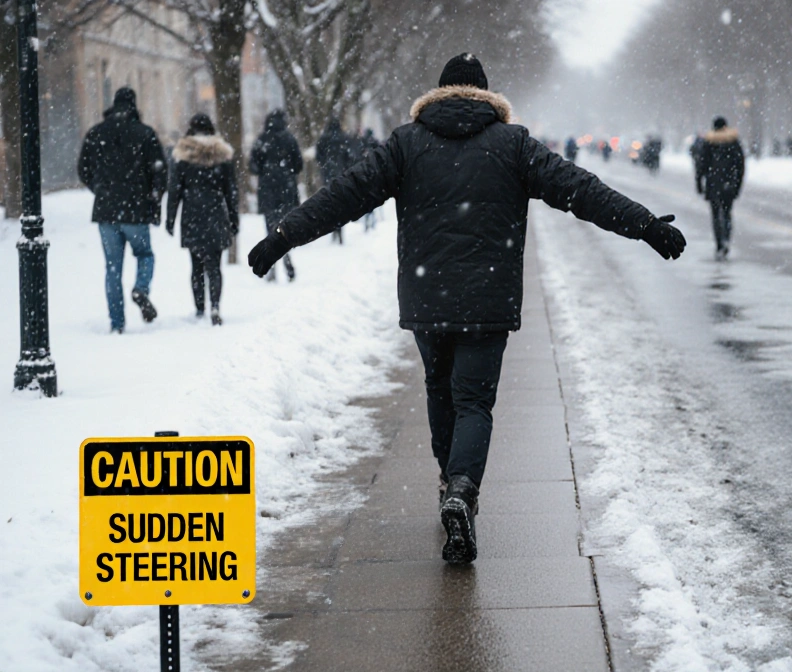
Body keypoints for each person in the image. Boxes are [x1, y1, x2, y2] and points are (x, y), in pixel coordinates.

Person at [248, 53, 686, 565]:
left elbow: (344, 196)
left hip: (426, 294)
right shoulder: (513, 144)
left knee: (440, 389)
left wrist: (282, 237)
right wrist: (646, 226)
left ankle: (447, 480)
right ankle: (462, 487)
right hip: (488, 294)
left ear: (437, 94)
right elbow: (581, 191)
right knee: (474, 401)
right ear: (487, 96)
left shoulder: (405, 145)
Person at [76, 87, 166, 333]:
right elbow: (159, 171)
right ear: (133, 105)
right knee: (144, 254)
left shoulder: (96, 133)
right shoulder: (145, 134)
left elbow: (82, 168)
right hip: (136, 209)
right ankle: (141, 288)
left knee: (112, 268)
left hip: (106, 211)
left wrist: (99, 188)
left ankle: (117, 323)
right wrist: (153, 198)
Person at [166, 113, 238, 326]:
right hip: (216, 213)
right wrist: (234, 218)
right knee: (214, 266)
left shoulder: (184, 156)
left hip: (192, 215)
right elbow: (231, 191)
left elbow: (174, 190)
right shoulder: (222, 155)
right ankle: (215, 306)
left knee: (196, 265)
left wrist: (170, 219)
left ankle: (200, 308)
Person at [249, 109, 303, 281]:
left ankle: (270, 264)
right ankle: (287, 261)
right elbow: (298, 165)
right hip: (287, 190)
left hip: (268, 190)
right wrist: (287, 171)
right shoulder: (289, 139)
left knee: (270, 227)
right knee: (285, 228)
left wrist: (266, 171)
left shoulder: (261, 140)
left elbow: (253, 166)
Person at [695, 116, 745, 260]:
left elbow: (701, 165)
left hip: (713, 184)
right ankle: (726, 239)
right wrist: (737, 185)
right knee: (727, 213)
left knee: (716, 215)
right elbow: (740, 166)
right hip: (729, 185)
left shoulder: (708, 142)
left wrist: (699, 183)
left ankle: (719, 243)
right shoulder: (733, 142)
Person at [315, 119, 355, 244]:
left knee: (330, 202)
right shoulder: (344, 138)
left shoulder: (323, 139)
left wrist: (325, 165)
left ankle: (333, 227)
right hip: (341, 174)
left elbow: (318, 157)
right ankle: (340, 228)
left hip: (327, 174)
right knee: (340, 203)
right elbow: (350, 157)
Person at [358, 128, 383, 231]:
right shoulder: (375, 142)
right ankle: (372, 219)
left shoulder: (362, 143)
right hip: (375, 173)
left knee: (366, 197)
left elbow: (357, 156)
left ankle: (367, 218)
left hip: (364, 173)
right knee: (373, 196)